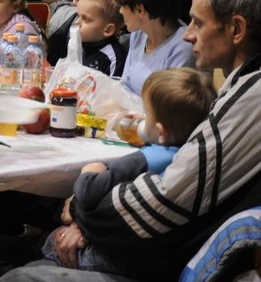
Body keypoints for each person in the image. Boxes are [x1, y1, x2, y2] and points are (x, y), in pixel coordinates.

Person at [0, 0, 261, 282]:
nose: (189, 34)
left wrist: (82, 211)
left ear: (236, 29)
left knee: (26, 270)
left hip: (251, 258)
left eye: (200, 24)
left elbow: (167, 201)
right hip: (241, 241)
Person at [41, 67, 217, 274]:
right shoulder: (188, 155)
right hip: (151, 252)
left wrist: (90, 171)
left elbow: (88, 192)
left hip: (112, 258)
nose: (141, 117)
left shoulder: (146, 159)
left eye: (147, 114)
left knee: (49, 241)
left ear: (160, 131)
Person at [113, 0, 195, 95]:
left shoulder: (183, 47)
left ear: (140, 9)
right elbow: (125, 85)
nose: (120, 11)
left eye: (123, 5)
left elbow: (169, 106)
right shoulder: (139, 33)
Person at [75, 0, 126, 77]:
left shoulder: (113, 58)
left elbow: (112, 88)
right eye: (78, 16)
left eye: (85, 19)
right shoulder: (79, 44)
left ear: (108, 30)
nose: (76, 22)